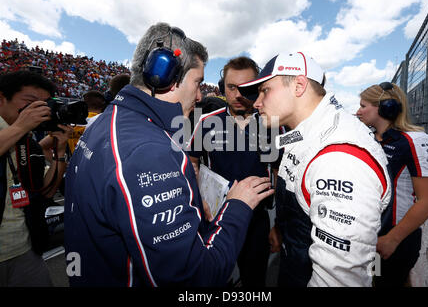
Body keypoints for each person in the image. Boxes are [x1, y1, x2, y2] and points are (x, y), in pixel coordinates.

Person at [63, 22, 274, 287]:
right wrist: (238, 205)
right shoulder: (148, 152)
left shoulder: (107, 123)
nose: (200, 96)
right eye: (197, 83)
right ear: (165, 77)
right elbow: (193, 278)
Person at [237, 52, 391, 287]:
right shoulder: (304, 132)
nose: (257, 103)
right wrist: (280, 227)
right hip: (294, 259)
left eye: (265, 90)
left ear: (299, 85)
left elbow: (339, 280)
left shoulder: (339, 158)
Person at [187, 56, 280, 286]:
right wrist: (199, 198)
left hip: (257, 220)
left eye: (245, 87)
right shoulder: (207, 121)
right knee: (213, 277)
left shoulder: (273, 124)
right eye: (231, 87)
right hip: (214, 216)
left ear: (257, 88)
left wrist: (280, 225)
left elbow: (280, 172)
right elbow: (192, 162)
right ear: (222, 88)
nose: (238, 94)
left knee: (254, 280)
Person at [356, 82, 428, 287]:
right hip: (369, 235)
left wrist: (392, 239)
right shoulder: (368, 139)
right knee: (371, 281)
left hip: (395, 239)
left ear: (386, 108)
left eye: (363, 105)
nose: (358, 111)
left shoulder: (416, 140)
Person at [0, 70, 72, 286]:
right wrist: (21, 126)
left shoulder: (27, 143)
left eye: (43, 105)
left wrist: (58, 153)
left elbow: (47, 191)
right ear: (2, 98)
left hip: (24, 249)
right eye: (30, 102)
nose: (37, 110)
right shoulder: (19, 131)